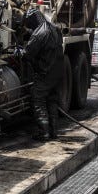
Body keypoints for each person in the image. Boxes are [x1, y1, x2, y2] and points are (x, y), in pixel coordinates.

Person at [22, 8, 64, 141]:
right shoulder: (54, 28)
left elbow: (28, 54)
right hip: (58, 72)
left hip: (45, 72)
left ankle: (43, 133)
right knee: (52, 101)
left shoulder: (38, 34)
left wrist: (20, 52)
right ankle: (53, 131)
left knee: (38, 100)